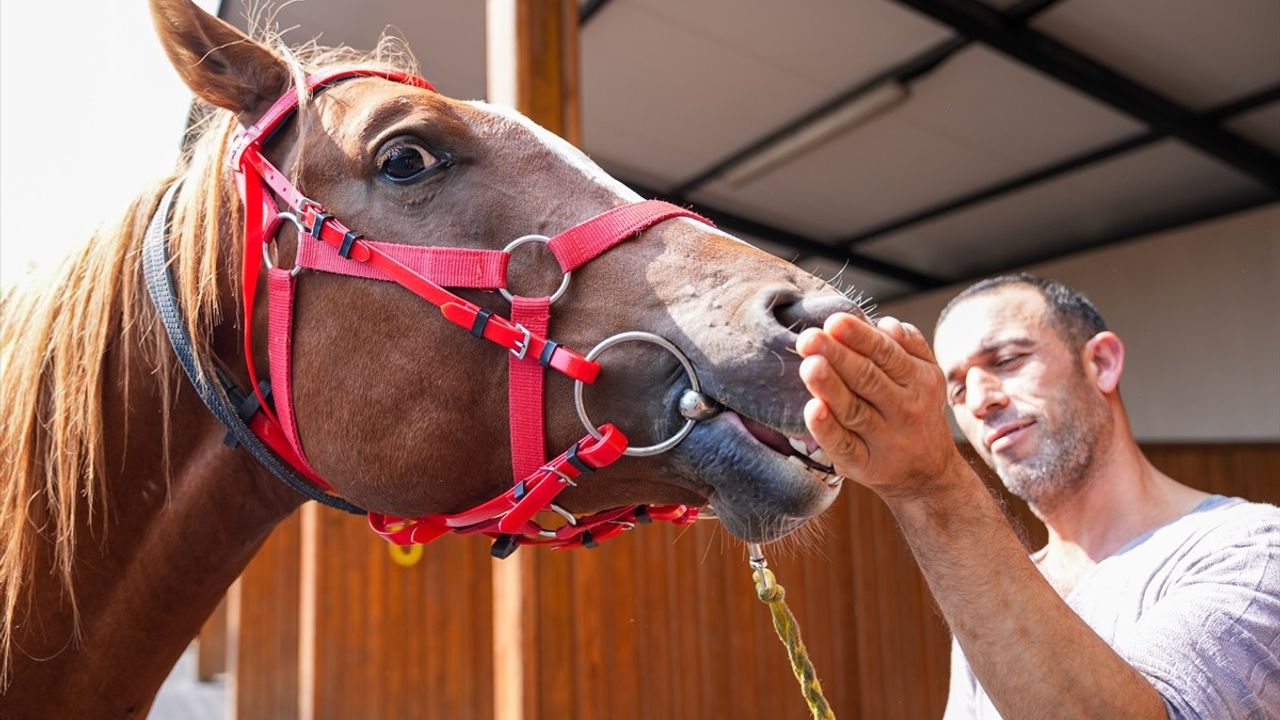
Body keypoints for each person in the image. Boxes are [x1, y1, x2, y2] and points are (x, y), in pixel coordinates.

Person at [795, 273, 1279, 718]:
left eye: (1007, 361)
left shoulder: (1253, 548)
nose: (982, 401)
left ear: (1102, 364)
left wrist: (928, 483)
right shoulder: (997, 589)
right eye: (957, 390)